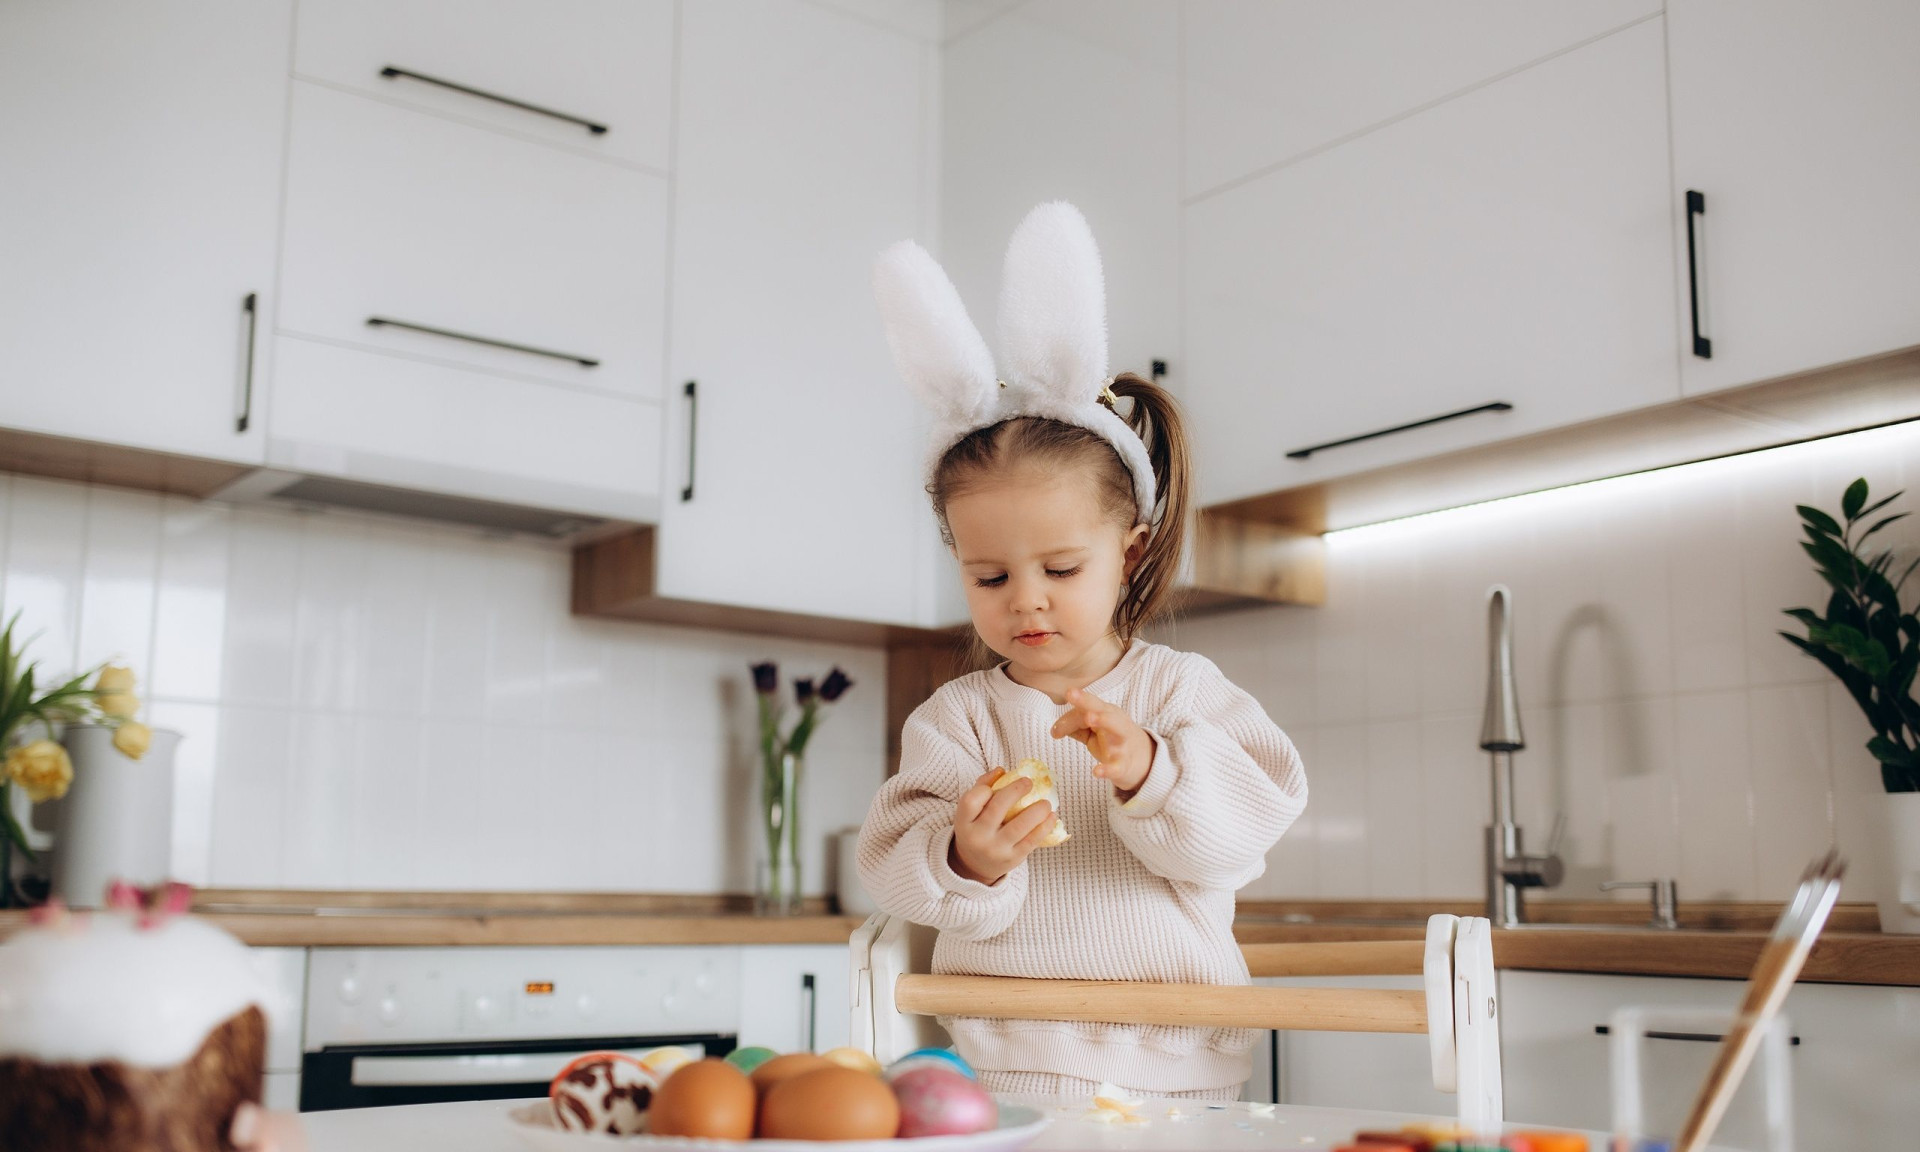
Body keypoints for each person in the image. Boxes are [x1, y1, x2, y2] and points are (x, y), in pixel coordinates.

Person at [857, 202, 1308, 1100]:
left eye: (1060, 567)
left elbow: (1247, 832)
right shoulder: (959, 720)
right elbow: (894, 864)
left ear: (1129, 550)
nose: (1024, 599)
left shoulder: (1182, 693)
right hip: (1003, 1066)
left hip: (1182, 1066)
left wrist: (1155, 771)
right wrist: (963, 859)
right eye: (988, 578)